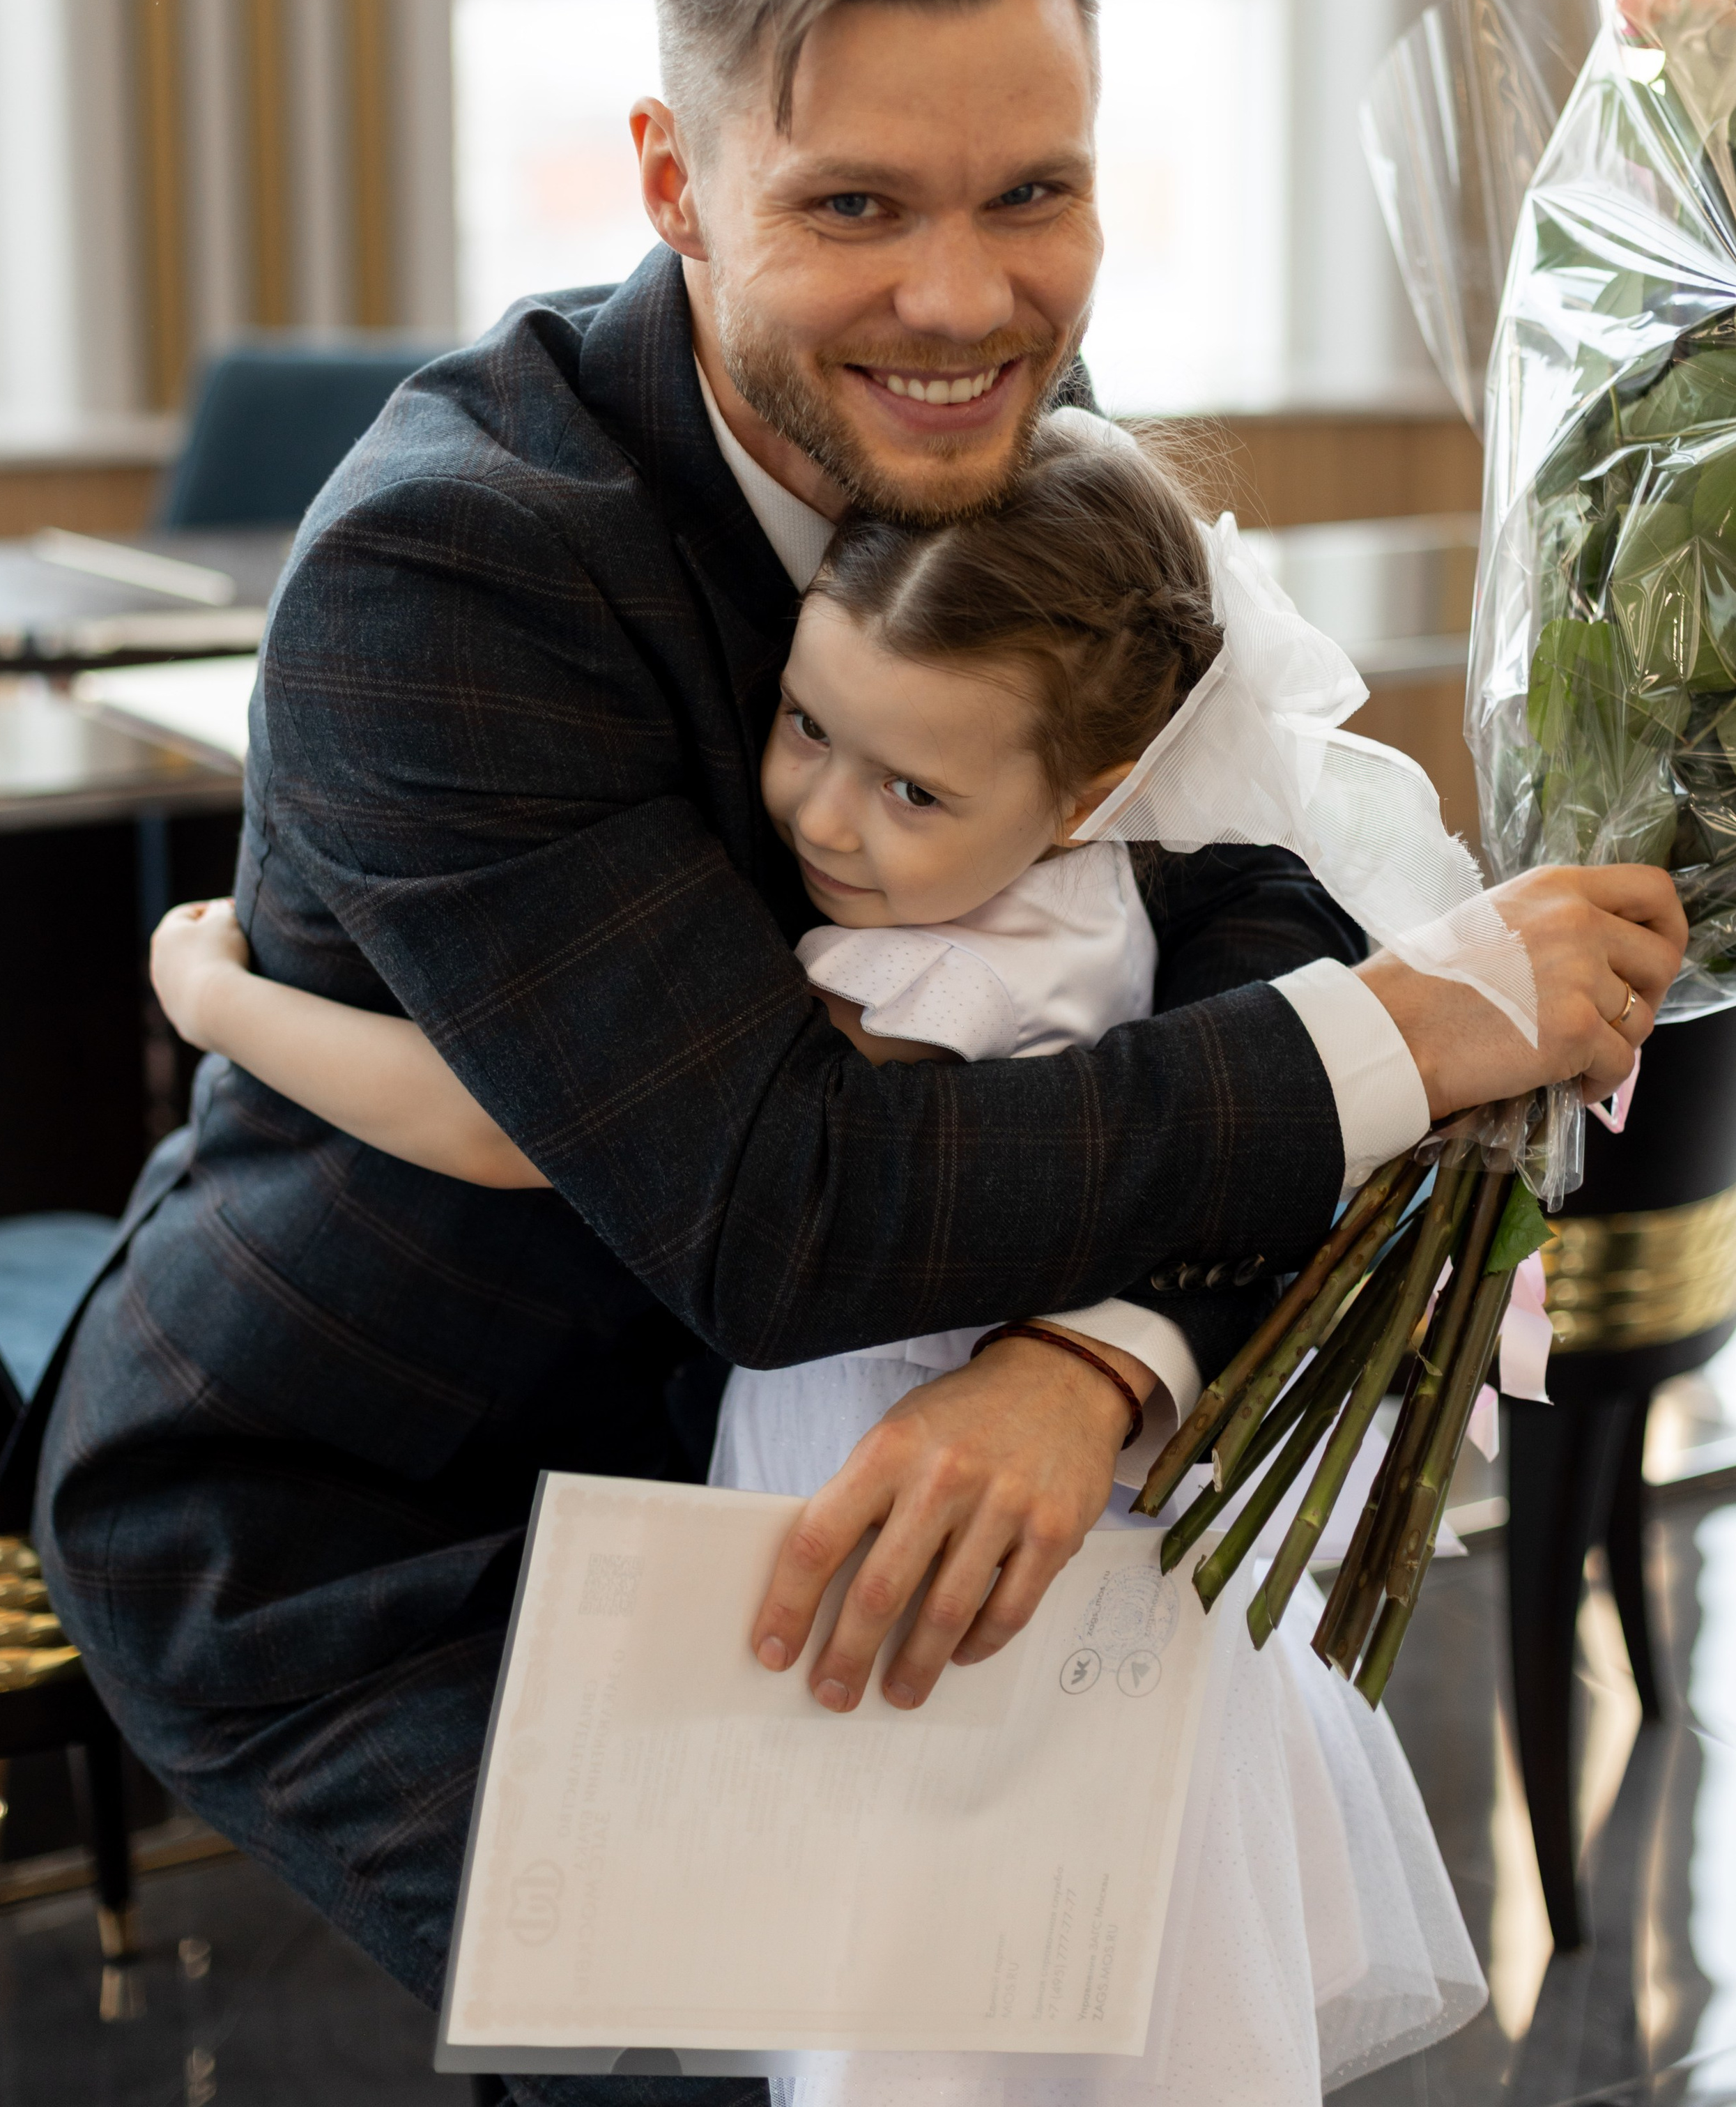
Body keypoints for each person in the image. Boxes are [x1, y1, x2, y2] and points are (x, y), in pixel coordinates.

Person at [37, 0, 1684, 2107]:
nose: (965, 300)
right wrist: (1408, 1033)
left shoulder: (1026, 447)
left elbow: (1246, 931)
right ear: (671, 179)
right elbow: (784, 1207)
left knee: (1061, 2006)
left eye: (1035, 194)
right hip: (405, 1507)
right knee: (771, 2056)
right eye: (854, 206)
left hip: (870, 1415)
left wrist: (1093, 1353)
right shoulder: (454, 574)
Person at [148, 413, 1489, 2099]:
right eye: (804, 727)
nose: (827, 819)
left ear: (1093, 788)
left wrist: (222, 1007)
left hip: (909, 1541)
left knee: (921, 2005)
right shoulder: (1076, 890)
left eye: (910, 787)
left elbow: (510, 1128)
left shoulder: (920, 980)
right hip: (1065, 1543)